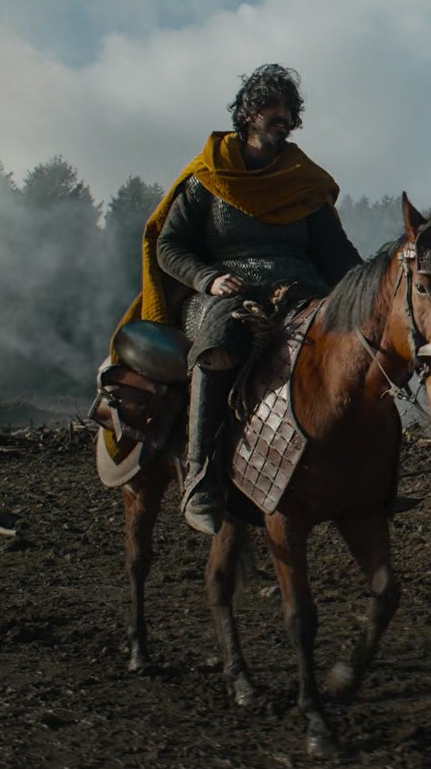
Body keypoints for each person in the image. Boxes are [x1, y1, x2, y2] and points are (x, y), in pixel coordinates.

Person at [117, 64, 362, 536]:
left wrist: (373, 286)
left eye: (289, 111)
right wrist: (207, 279)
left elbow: (337, 255)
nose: (284, 118)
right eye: (273, 109)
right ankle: (202, 481)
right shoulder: (208, 176)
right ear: (248, 113)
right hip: (223, 294)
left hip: (299, 291)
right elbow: (169, 246)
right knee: (221, 342)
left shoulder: (304, 182)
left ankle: (358, 480)